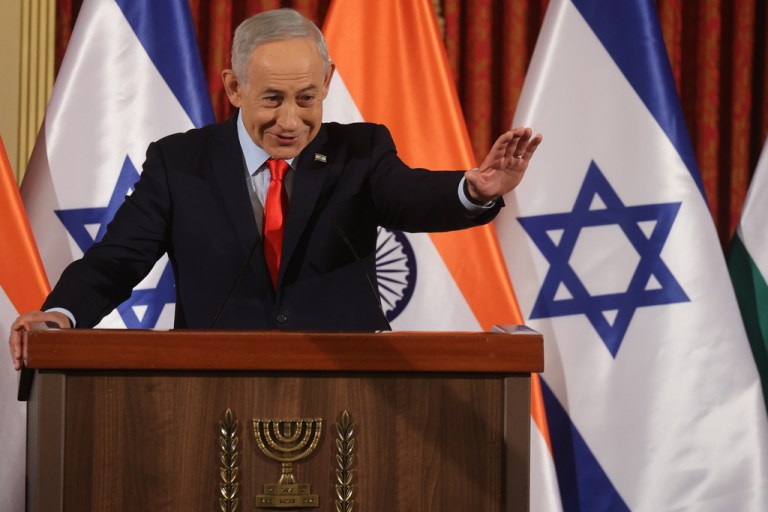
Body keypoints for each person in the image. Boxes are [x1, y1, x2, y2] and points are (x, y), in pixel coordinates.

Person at [8, 8, 541, 370]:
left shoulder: (360, 152)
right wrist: (61, 315)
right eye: (272, 99)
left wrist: (473, 188)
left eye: (307, 98)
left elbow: (410, 195)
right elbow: (117, 260)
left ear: (327, 82)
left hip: (349, 388)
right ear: (234, 87)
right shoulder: (181, 163)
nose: (290, 121)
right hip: (210, 388)